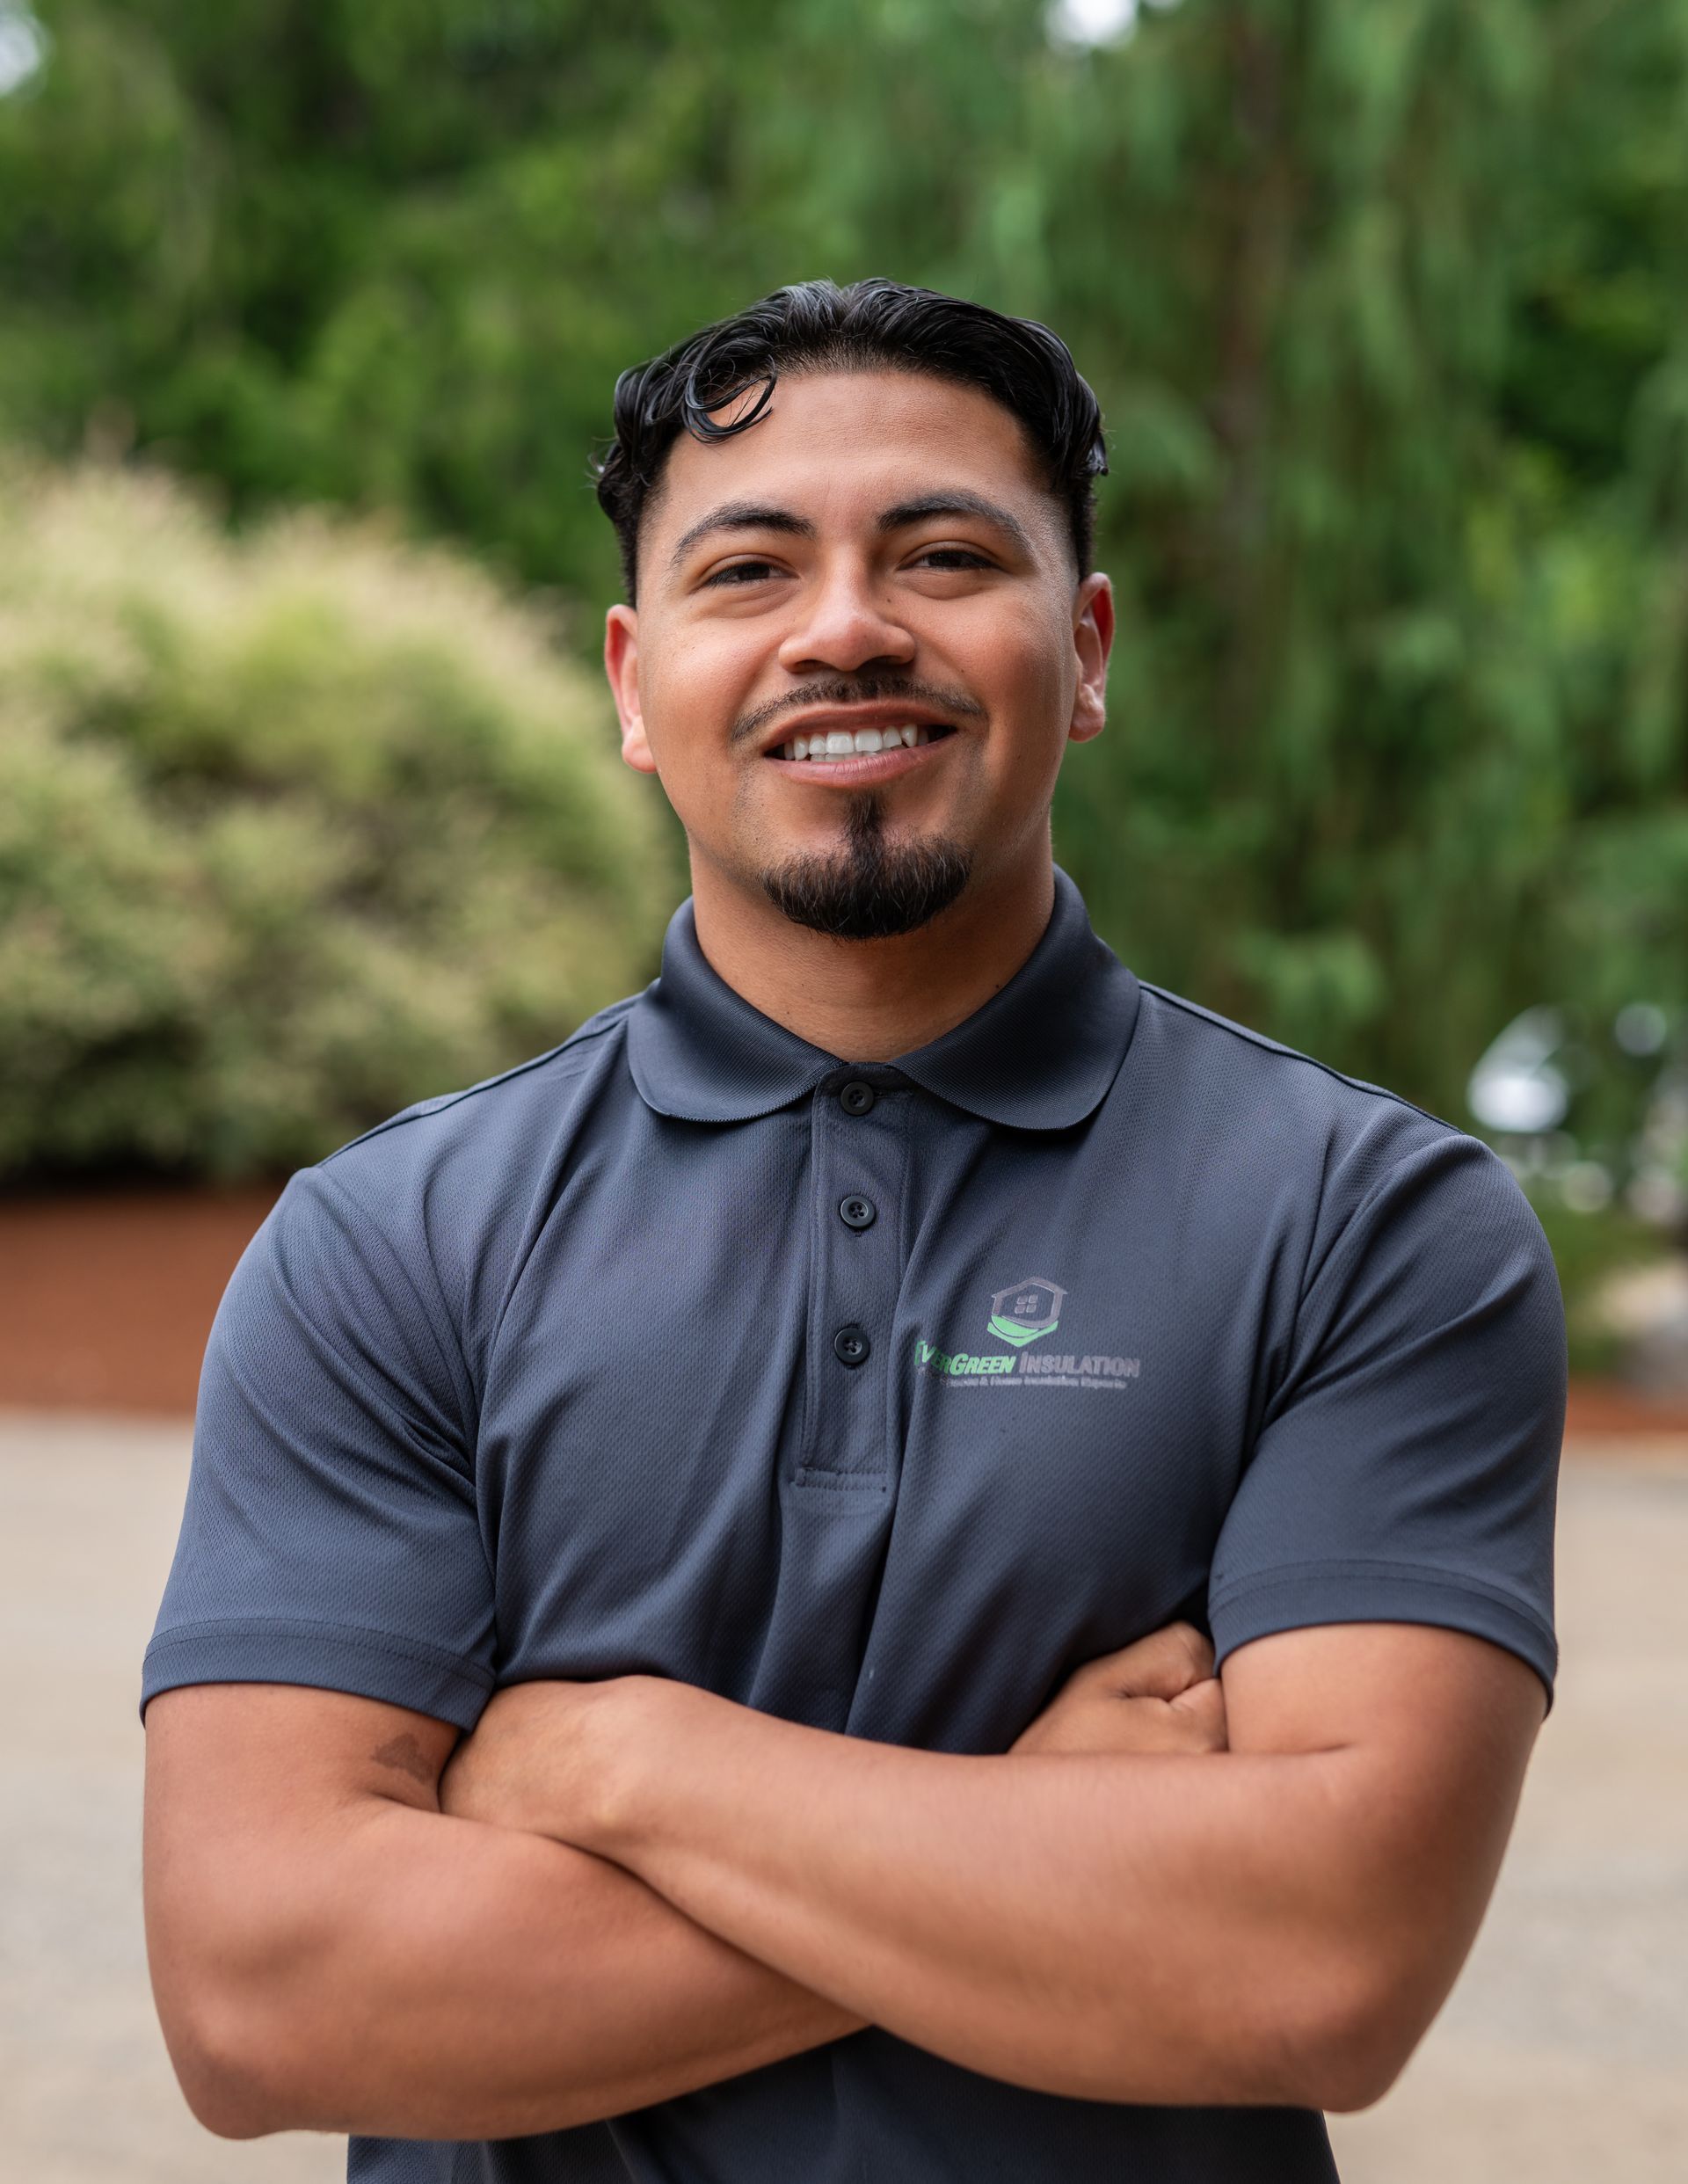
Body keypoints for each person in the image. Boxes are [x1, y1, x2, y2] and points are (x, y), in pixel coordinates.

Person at [141, 279, 1564, 2184]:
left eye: (943, 553)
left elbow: (1319, 1965)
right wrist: (1035, 1831)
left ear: (1087, 643)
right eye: (750, 571)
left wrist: (629, 1763)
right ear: (637, 687)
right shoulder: (389, 1245)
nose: (844, 630)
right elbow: (263, 2003)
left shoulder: (1368, 1224)